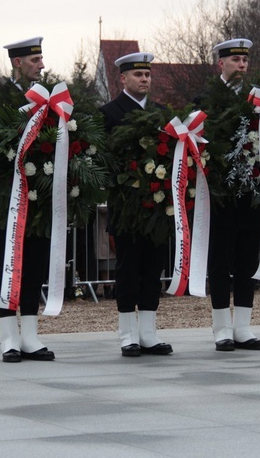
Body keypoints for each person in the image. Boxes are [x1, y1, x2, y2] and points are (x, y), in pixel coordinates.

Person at [0, 36, 54, 363]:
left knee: (35, 267)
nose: (42, 65)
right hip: (8, 199)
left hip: (39, 196)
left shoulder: (47, 96)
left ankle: (30, 336)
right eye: (35, 60)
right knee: (8, 267)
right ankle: (8, 337)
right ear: (18, 63)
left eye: (41, 59)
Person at [195, 38, 260, 351]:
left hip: (249, 195)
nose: (241, 65)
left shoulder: (258, 102)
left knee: (247, 260)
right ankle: (222, 328)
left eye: (244, 60)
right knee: (221, 262)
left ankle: (243, 327)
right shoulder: (206, 100)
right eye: (235, 59)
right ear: (220, 63)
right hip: (220, 196)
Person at [100, 52, 173, 357]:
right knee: (129, 270)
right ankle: (128, 334)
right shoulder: (109, 113)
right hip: (127, 207)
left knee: (153, 269)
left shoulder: (160, 113)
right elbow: (104, 160)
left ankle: (149, 334)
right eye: (138, 75)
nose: (144, 80)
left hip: (156, 207)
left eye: (147, 75)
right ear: (123, 79)